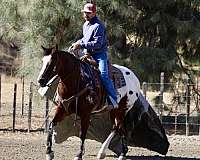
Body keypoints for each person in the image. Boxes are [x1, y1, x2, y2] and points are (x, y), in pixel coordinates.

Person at [72, 3, 118, 109]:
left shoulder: (98, 26)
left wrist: (81, 44)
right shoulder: (85, 25)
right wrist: (76, 43)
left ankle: (114, 100)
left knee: (104, 76)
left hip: (99, 55)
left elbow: (98, 43)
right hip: (87, 53)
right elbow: (84, 39)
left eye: (88, 13)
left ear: (94, 13)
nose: (86, 15)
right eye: (85, 13)